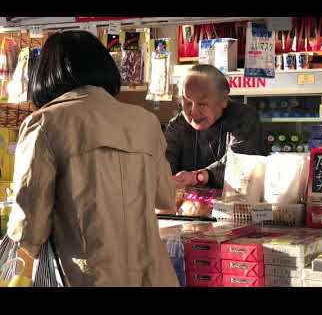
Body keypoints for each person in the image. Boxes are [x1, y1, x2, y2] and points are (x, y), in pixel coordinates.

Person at [6, 31, 178, 287]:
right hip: (152, 275)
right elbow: (165, 197)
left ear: (45, 73)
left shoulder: (44, 123)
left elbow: (29, 225)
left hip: (85, 276)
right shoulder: (146, 121)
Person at [164, 64, 265, 189]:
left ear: (223, 99)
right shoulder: (177, 126)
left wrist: (198, 177)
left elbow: (240, 165)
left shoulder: (244, 118)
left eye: (202, 104)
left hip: (236, 204)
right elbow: (164, 166)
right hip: (188, 206)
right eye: (188, 102)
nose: (194, 111)